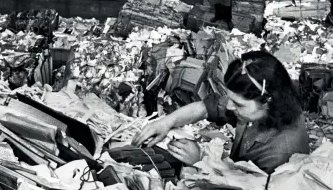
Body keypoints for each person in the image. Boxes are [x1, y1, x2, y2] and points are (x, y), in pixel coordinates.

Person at [132, 51, 309, 174]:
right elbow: (206, 107)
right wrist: (167, 121)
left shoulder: (282, 152)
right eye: (230, 98)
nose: (230, 106)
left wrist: (202, 161)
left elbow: (248, 185)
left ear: (268, 101)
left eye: (238, 104)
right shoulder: (259, 107)